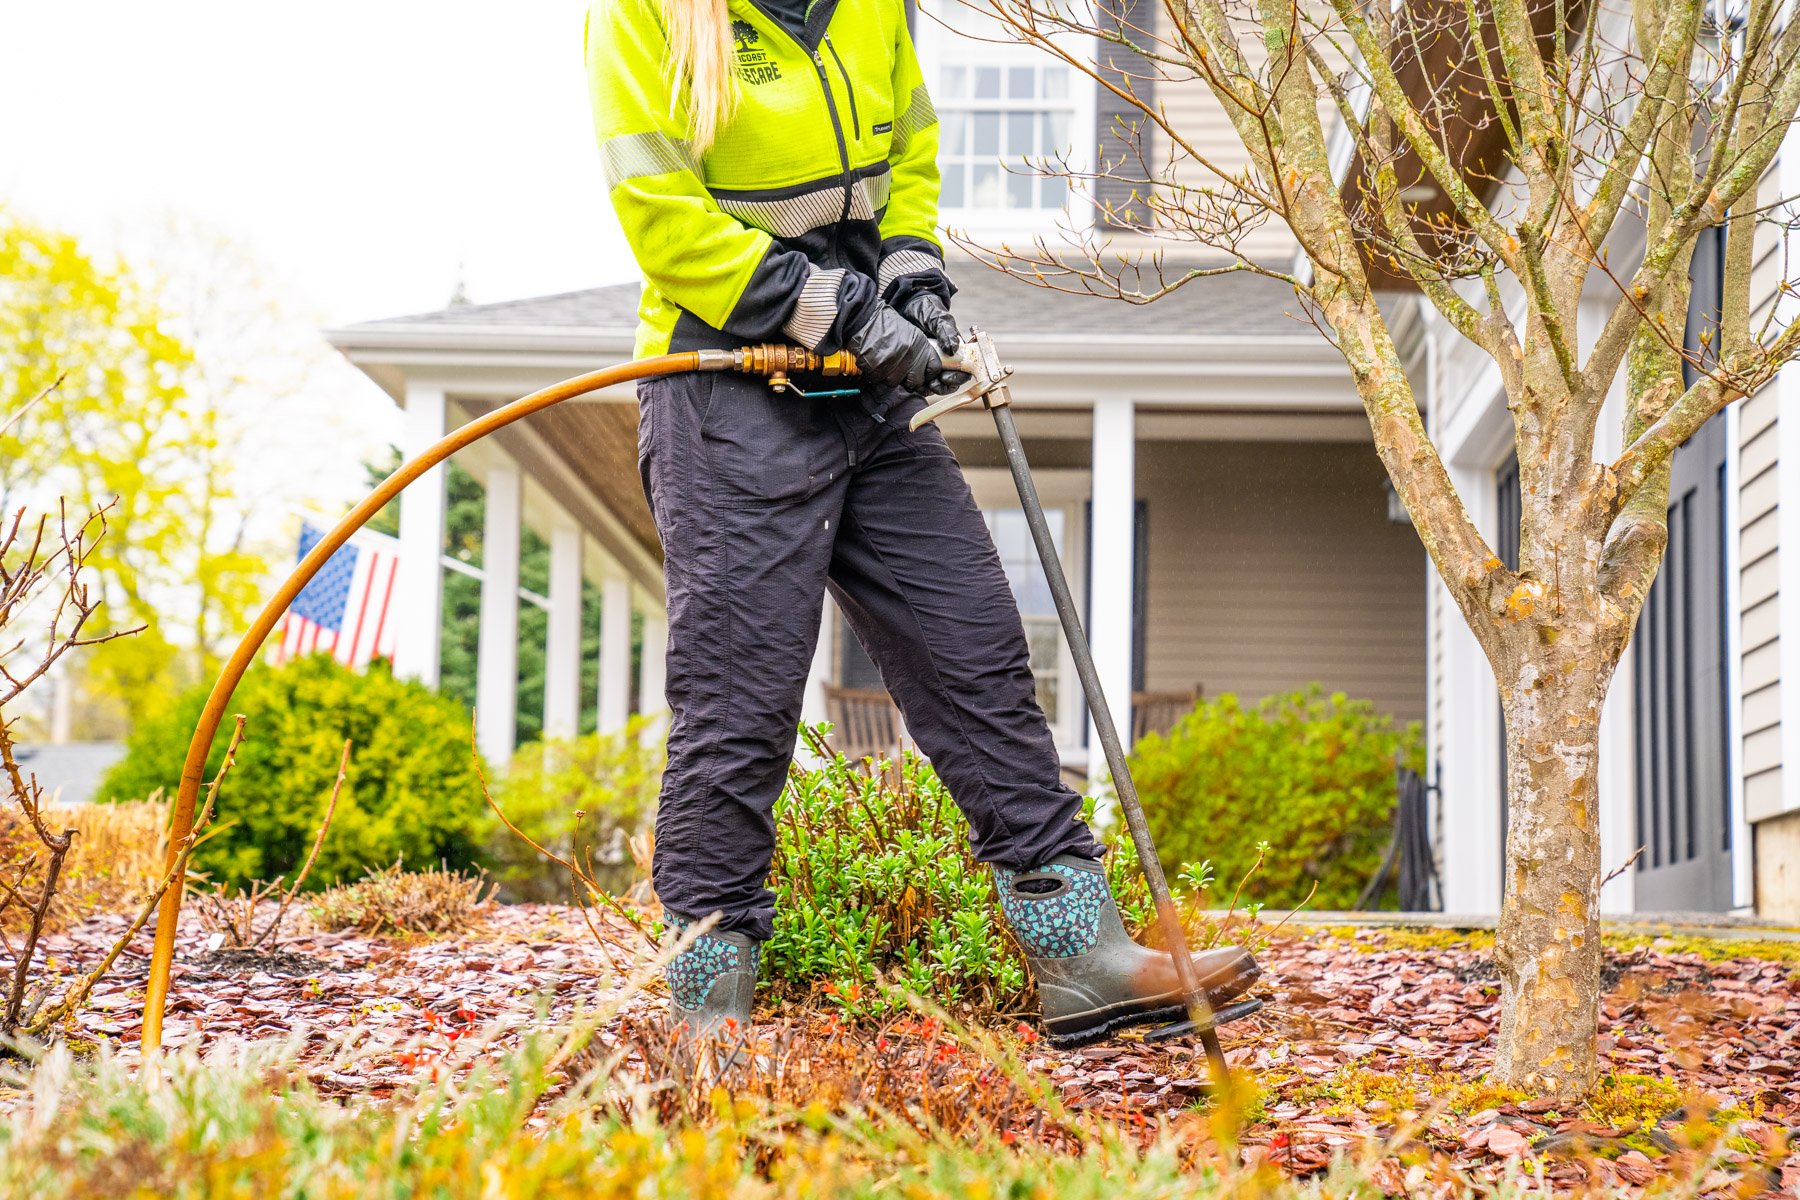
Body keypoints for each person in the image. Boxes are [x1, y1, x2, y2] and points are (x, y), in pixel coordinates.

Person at [584, 0, 1260, 1048]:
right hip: (726, 385)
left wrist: (912, 280)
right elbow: (662, 216)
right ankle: (702, 1010)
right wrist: (842, 313)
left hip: (867, 389)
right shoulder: (645, 14)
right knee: (739, 704)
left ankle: (1082, 957)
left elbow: (909, 153)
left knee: (977, 652)